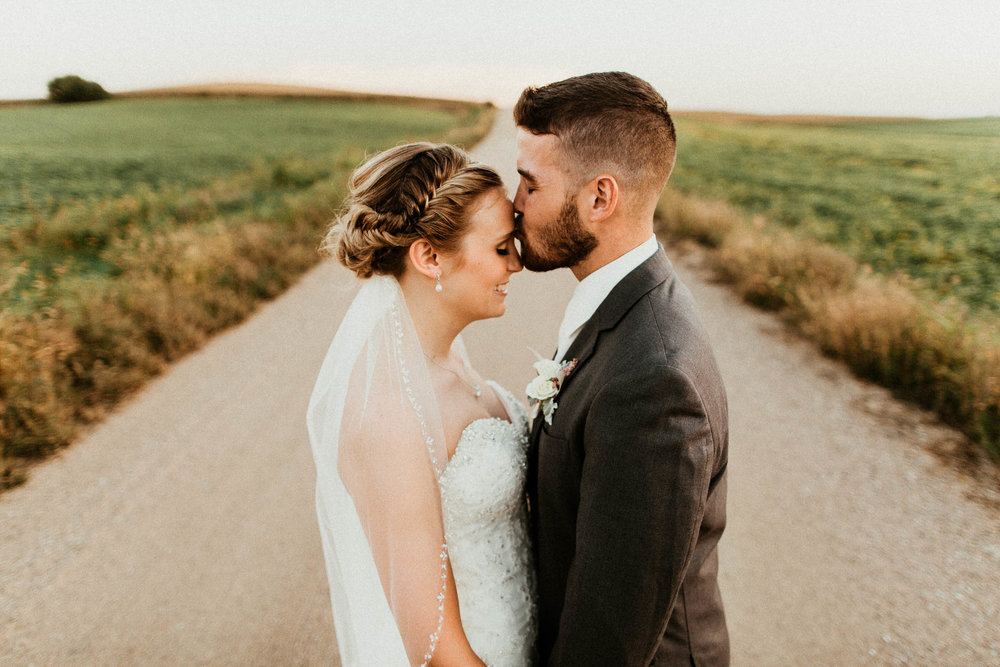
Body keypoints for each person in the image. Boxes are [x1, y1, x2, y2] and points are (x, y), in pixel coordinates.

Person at [513, 72, 730, 665]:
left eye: (529, 184)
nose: (515, 203)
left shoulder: (654, 383)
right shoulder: (624, 302)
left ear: (599, 198)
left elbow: (607, 643)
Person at [306, 142, 535, 666]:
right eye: (501, 249)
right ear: (429, 256)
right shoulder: (388, 416)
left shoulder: (453, 361)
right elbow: (434, 649)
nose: (517, 264)